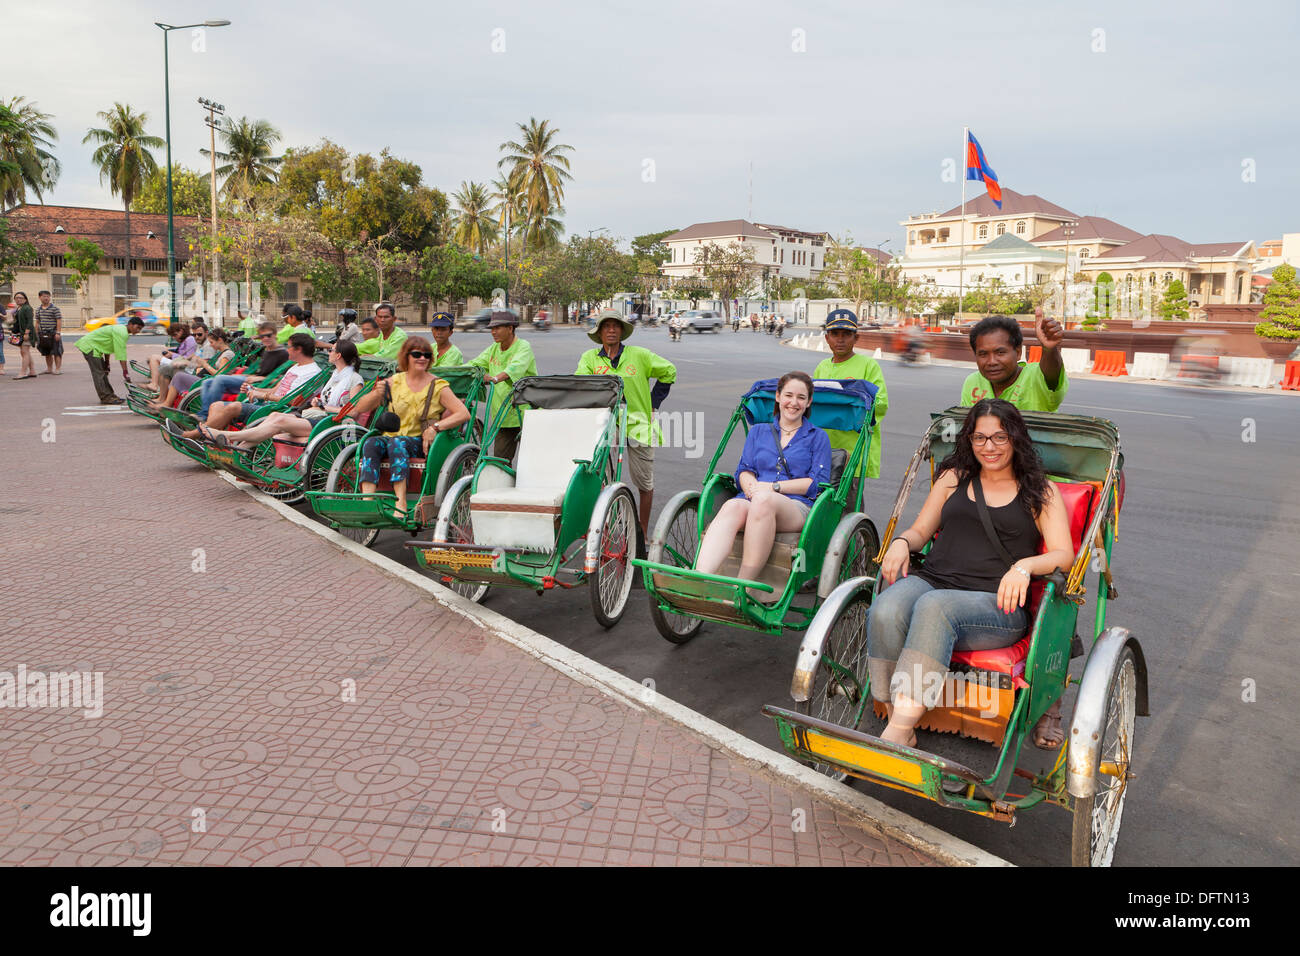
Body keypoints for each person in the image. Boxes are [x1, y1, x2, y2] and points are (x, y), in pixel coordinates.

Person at [867, 399, 1072, 748]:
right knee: (886, 608)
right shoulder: (953, 478)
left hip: (995, 605)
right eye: (980, 438)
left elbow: (1063, 555)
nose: (988, 447)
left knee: (935, 606)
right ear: (969, 440)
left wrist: (1024, 566)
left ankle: (899, 730)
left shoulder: (1040, 491)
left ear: (1016, 439)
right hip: (934, 580)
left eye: (999, 438)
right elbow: (921, 531)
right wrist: (902, 541)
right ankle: (893, 707)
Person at [694, 371, 832, 603]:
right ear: (778, 397)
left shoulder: (818, 437)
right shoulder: (759, 431)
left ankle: (743, 588)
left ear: (809, 402)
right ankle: (698, 579)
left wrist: (772, 487)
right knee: (732, 506)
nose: (793, 403)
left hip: (796, 507)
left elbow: (814, 483)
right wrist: (750, 487)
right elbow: (745, 469)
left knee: (763, 501)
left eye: (801, 397)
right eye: (788, 395)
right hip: (755, 498)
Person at [574, 309, 676, 538]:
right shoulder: (590, 358)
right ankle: (604, 523)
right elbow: (582, 383)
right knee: (597, 472)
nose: (611, 330)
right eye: (606, 326)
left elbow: (669, 371)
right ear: (599, 332)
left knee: (644, 482)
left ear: (621, 331)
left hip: (638, 424)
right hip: (606, 424)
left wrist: (653, 402)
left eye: (615, 326)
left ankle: (641, 531)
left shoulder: (639, 355)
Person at [346, 336, 471, 519]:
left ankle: (401, 502)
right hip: (392, 438)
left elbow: (463, 413)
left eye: (427, 355)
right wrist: (376, 394)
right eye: (417, 354)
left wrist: (435, 427)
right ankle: (368, 501)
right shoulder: (394, 381)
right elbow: (360, 408)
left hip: (421, 442)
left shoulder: (437, 385)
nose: (422, 358)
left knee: (397, 443)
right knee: (371, 443)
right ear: (406, 356)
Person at [204, 340, 365, 449]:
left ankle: (228, 436)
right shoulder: (335, 375)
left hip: (331, 423)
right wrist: (319, 402)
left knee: (279, 420)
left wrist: (324, 406)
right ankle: (238, 449)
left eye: (331, 350)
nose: (328, 352)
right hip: (315, 415)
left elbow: (353, 411)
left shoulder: (354, 379)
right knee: (274, 415)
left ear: (338, 356)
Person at [180, 332, 321, 440]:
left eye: (289, 347)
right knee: (215, 405)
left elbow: (294, 401)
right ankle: (211, 439)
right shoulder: (295, 367)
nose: (287, 350)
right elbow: (274, 390)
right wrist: (255, 389)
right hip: (268, 403)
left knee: (233, 406)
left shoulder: (312, 372)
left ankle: (193, 435)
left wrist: (263, 395)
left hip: (279, 410)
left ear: (298, 349)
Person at [813, 309, 889, 499]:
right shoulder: (822, 367)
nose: (840, 339)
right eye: (835, 334)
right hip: (824, 449)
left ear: (856, 338)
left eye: (846, 334)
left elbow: (880, 403)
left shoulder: (868, 366)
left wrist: (849, 401)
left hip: (852, 454)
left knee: (847, 506)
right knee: (820, 505)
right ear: (826, 338)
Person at [961, 308, 1067, 410]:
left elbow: (1051, 376)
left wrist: (1049, 349)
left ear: (1018, 352)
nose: (991, 361)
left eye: (1000, 353)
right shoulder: (972, 382)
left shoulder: (1035, 376)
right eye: (983, 354)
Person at [469, 310, 537, 461]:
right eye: (492, 328)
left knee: (530, 460)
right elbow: (474, 364)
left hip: (525, 413)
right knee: (500, 461)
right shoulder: (494, 348)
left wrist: (493, 378)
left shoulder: (523, 346)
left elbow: (513, 369)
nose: (493, 332)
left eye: (497, 328)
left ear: (510, 328)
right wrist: (466, 372)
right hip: (502, 415)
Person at [193, 323, 289, 420]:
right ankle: (205, 412)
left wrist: (259, 378)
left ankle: (207, 416)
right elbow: (262, 371)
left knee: (219, 379)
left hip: (261, 384)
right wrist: (246, 371)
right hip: (252, 378)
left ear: (275, 335)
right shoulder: (268, 350)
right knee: (207, 382)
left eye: (268, 336)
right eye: (262, 336)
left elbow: (283, 380)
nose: (265, 339)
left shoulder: (282, 354)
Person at [152, 327, 235, 410]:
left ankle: (167, 404)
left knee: (179, 376)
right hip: (207, 379)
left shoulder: (227, 355)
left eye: (211, 342)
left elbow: (220, 375)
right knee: (176, 374)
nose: (210, 345)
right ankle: (166, 402)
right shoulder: (222, 353)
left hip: (210, 383)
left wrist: (205, 365)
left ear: (220, 340)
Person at [75, 315, 147, 403]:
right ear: (130, 324)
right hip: (90, 347)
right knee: (99, 374)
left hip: (94, 348)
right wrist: (125, 372)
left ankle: (110, 395)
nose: (138, 330)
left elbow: (108, 346)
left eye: (140, 329)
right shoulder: (122, 332)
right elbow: (121, 354)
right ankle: (105, 397)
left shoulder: (122, 330)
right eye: (137, 327)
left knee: (103, 373)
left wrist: (107, 362)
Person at [143, 322, 197, 393]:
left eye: (175, 335)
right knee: (152, 359)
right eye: (172, 336)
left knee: (154, 358)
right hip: (180, 363)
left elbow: (189, 357)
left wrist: (172, 355)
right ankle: (157, 384)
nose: (174, 338)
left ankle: (154, 384)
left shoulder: (190, 339)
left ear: (181, 331)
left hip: (184, 366)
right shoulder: (186, 340)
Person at [10, 291, 38, 379]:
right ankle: (32, 371)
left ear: (25, 299)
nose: (18, 299)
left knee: (24, 352)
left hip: (26, 333)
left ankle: (23, 372)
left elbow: (30, 321)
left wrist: (26, 333)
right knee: (25, 352)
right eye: (16, 298)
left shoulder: (27, 308)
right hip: (20, 333)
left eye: (20, 298)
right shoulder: (19, 308)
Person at [35, 290, 64, 374]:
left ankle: (57, 369)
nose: (46, 298)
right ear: (39, 297)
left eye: (48, 296)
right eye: (44, 296)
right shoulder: (38, 310)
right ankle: (49, 369)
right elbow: (37, 322)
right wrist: (36, 333)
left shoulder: (55, 308)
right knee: (47, 352)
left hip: (53, 333)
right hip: (43, 333)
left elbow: (59, 320)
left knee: (57, 352)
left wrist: (58, 332)